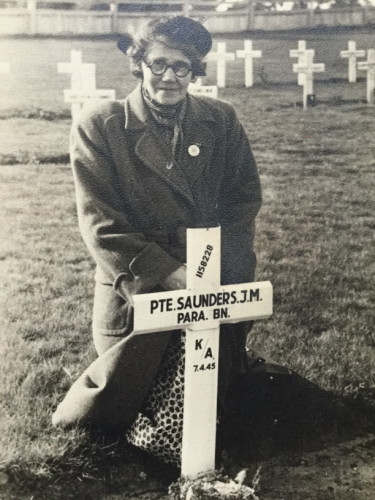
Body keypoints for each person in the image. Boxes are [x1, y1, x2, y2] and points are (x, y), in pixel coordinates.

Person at [69, 16, 262, 467]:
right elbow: (101, 224)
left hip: (210, 279)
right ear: (138, 64)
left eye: (183, 67)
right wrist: (170, 273)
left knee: (222, 404)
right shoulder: (100, 126)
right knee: (134, 413)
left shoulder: (221, 120)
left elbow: (243, 201)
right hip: (138, 288)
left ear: (196, 72)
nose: (169, 77)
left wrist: (210, 273)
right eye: (158, 64)